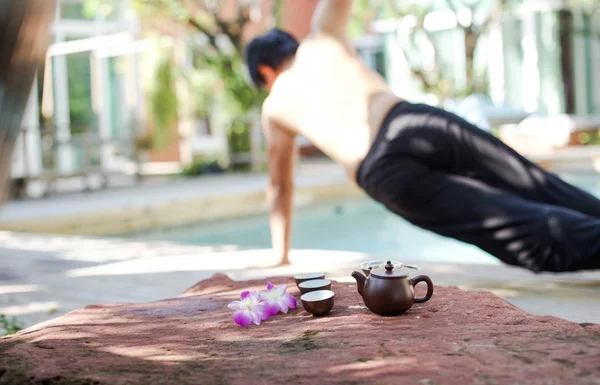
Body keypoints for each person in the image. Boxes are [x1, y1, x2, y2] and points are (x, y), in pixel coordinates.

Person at [243, 0, 600, 273]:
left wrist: (280, 255)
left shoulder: (274, 107)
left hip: (382, 171)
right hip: (414, 120)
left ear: (264, 71)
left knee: (511, 226)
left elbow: (280, 186)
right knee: (537, 183)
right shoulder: (323, 37)